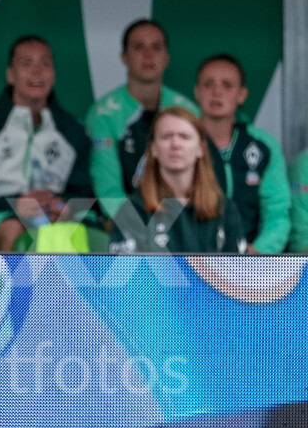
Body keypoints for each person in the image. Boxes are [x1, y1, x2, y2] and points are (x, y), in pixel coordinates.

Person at [0, 35, 94, 252]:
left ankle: (60, 288)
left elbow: (85, 196)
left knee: (73, 231)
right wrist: (13, 204)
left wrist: (62, 205)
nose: (37, 72)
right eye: (26, 63)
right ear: (10, 75)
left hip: (52, 221)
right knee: (13, 228)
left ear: (54, 74)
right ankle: (11, 288)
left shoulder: (74, 133)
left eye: (45, 63)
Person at [86, 19, 198, 220]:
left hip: (181, 222)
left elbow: (202, 180)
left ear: (167, 57)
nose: (148, 55)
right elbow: (108, 190)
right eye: (139, 47)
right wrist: (140, 229)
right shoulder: (103, 114)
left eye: (156, 47)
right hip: (125, 226)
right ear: (124, 57)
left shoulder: (188, 110)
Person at [109, 106, 246, 254]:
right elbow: (124, 275)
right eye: (166, 137)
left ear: (200, 148)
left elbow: (238, 274)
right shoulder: (133, 210)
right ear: (153, 148)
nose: (175, 144)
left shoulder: (224, 209)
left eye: (184, 137)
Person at [194, 54, 290, 254]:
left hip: (250, 261)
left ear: (242, 94)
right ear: (197, 91)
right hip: (192, 259)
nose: (216, 91)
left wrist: (259, 251)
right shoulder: (180, 141)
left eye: (227, 85)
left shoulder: (264, 145)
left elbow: (277, 213)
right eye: (208, 84)